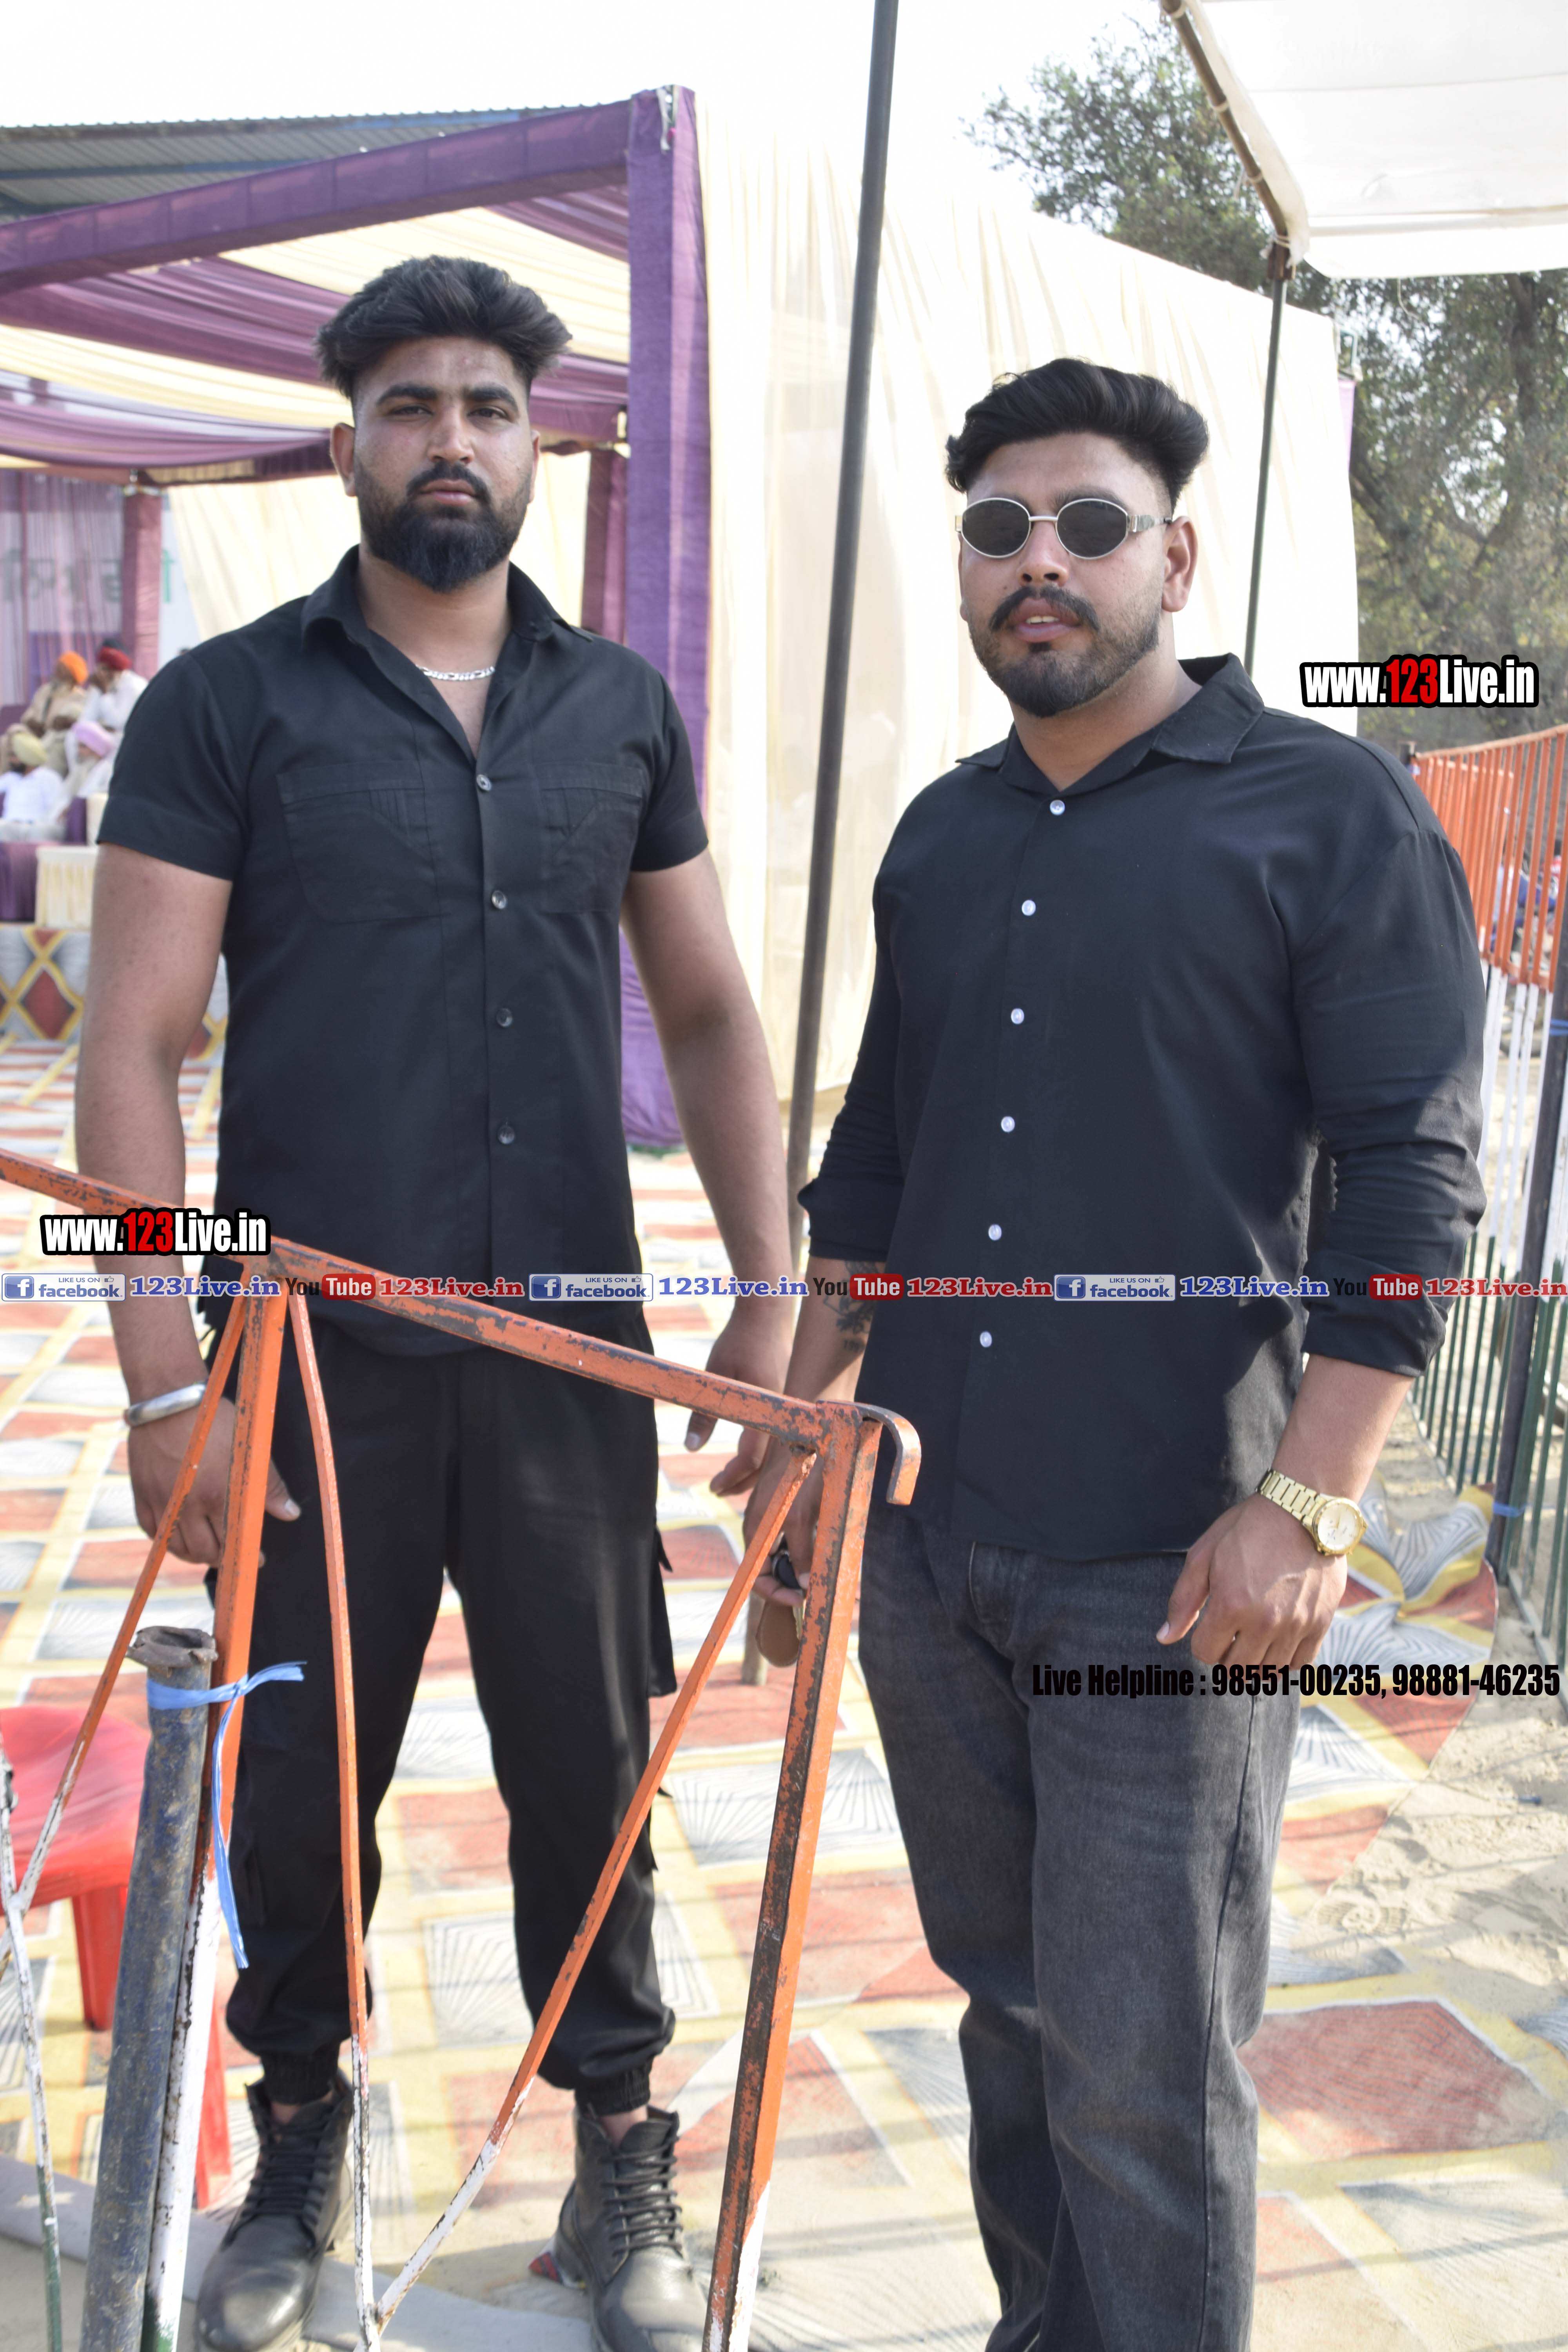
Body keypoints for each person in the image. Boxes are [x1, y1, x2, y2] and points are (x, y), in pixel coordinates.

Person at [78, 255, 793, 2352]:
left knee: (596, 1764)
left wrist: (768, 1289)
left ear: (536, 447)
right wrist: (160, 1385)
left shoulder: (617, 709)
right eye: (410, 405)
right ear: (349, 445)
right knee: (301, 1773)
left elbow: (710, 1010)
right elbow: (132, 1053)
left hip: (568, 1355)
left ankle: (619, 2145)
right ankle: (301, 2131)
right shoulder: (228, 705)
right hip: (307, 1371)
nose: (450, 439)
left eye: (488, 405)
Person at [744, 358, 1486, 2352]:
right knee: (1006, 2008)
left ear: (1175, 556)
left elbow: (1411, 1183)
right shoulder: (941, 832)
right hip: (926, 1533)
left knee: (1143, 2069)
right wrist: (803, 1433)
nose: (1038, 561)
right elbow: (874, 1165)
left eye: (1086, 525)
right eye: (998, 528)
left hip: (1171, 1558)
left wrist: (1308, 1502)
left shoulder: (1327, 811)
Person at [0, 729, 70, 836]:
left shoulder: (49, 777)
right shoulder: (11, 778)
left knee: (38, 831)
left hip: (37, 827)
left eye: (14, 756)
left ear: (27, 756)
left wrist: (40, 824)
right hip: (10, 827)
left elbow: (58, 807)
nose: (10, 760)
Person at [79, 638, 147, 738]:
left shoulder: (134, 686)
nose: (102, 674)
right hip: (104, 739)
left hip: (130, 739)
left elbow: (118, 723)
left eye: (106, 670)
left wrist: (105, 693)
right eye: (100, 669)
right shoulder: (102, 686)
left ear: (119, 670)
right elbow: (86, 720)